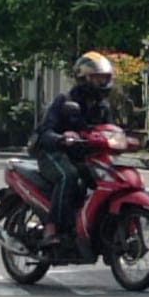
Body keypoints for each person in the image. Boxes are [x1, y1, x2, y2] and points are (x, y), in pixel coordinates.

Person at [33, 51, 115, 247]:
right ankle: (51, 228)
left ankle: (91, 228)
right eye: (97, 78)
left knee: (108, 180)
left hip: (85, 157)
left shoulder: (103, 106)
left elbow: (110, 130)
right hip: (53, 153)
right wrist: (62, 138)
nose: (102, 82)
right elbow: (45, 132)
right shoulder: (65, 101)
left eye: (104, 78)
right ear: (84, 78)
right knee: (68, 176)